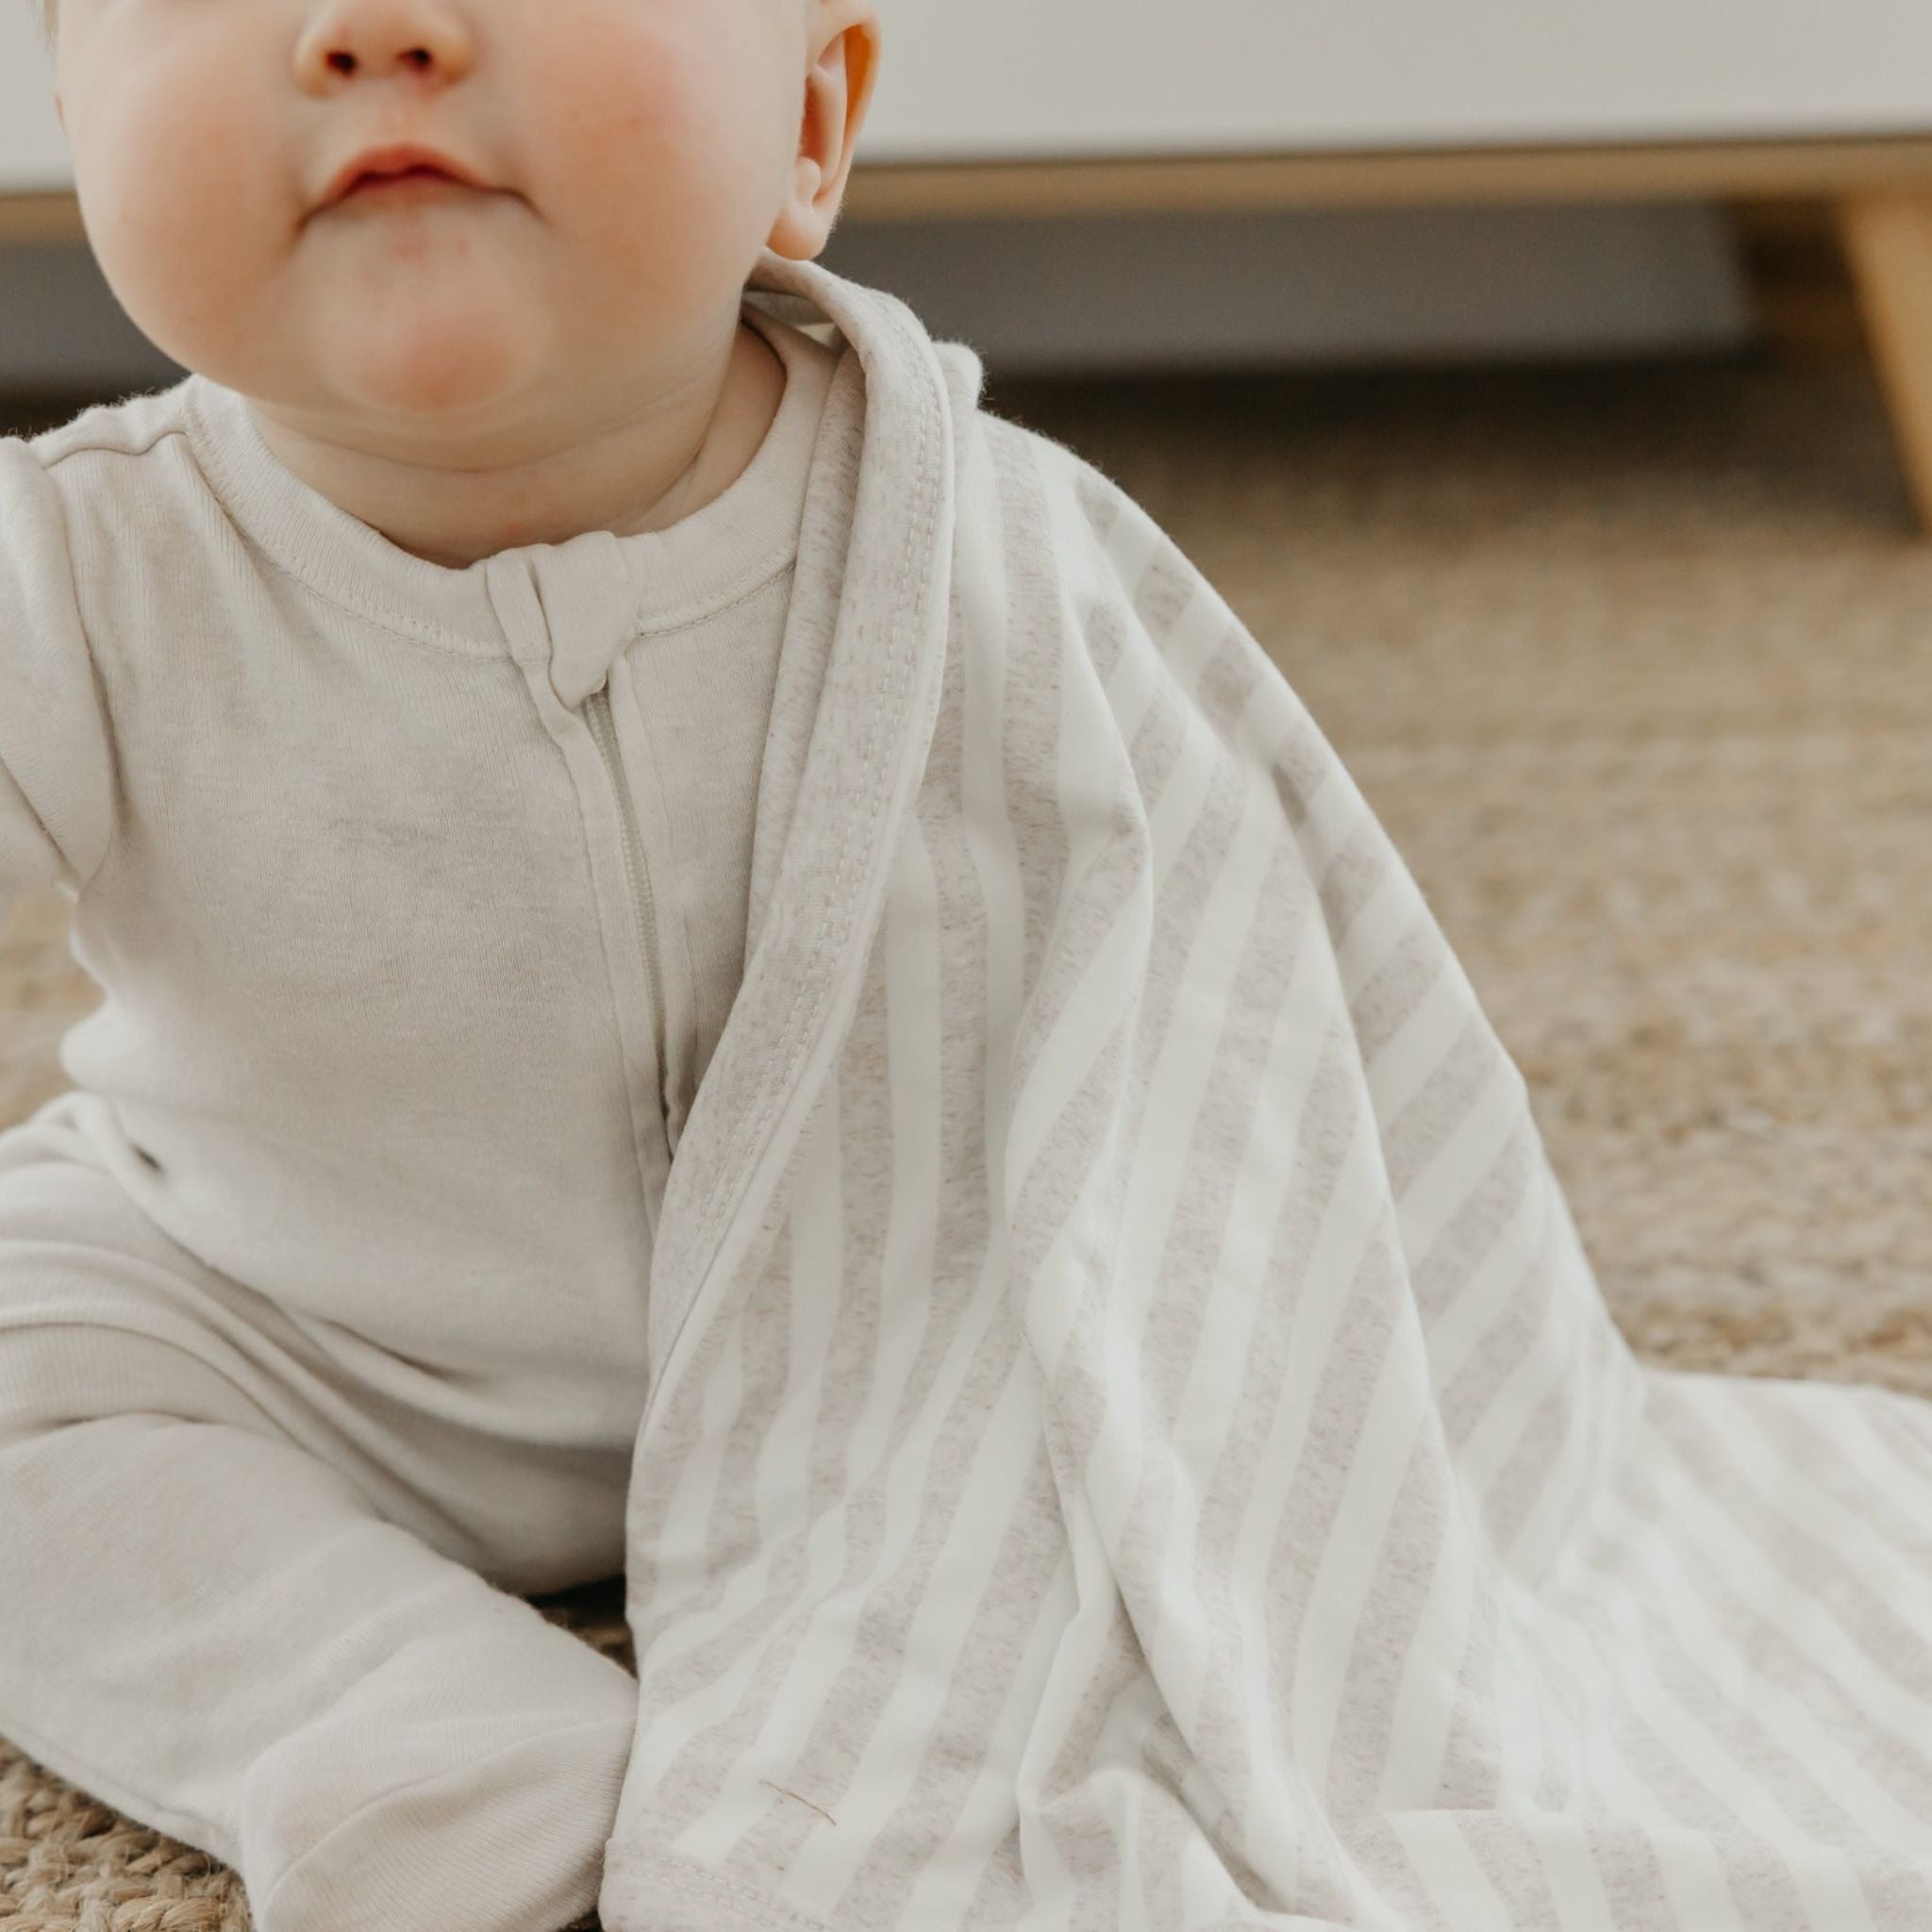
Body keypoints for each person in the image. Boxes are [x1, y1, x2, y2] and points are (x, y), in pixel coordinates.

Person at [0, 0, 879, 1927]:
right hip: (286, 1330)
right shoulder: (77, 564)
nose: (367, 28)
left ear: (808, 121)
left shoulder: (959, 538)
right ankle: (404, 1716)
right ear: (72, 125)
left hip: (878, 1358)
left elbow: (1221, 992)